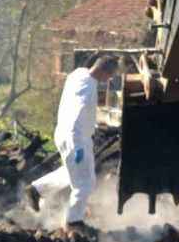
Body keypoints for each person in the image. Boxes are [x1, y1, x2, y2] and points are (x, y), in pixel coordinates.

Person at [24, 56, 119, 233]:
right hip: (76, 138)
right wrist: (79, 148)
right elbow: (78, 114)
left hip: (63, 133)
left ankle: (36, 189)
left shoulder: (78, 74)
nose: (109, 79)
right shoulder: (88, 88)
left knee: (72, 173)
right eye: (110, 75)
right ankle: (74, 221)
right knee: (85, 183)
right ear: (104, 72)